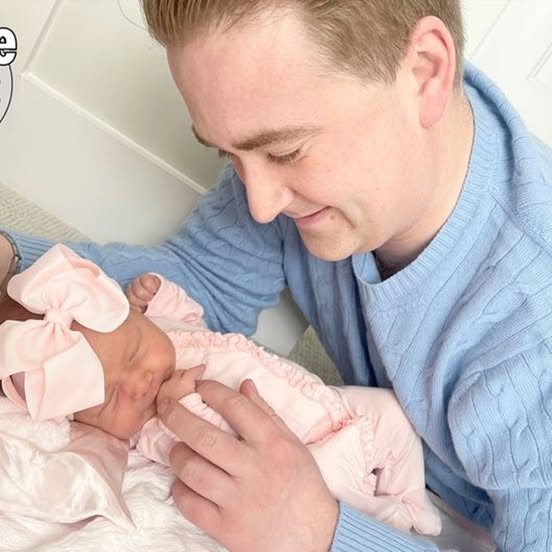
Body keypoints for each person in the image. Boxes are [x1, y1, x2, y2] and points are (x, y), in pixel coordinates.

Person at [1, 0, 551, 550]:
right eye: (231, 156)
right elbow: (205, 279)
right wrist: (18, 264)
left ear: (425, 71)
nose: (261, 206)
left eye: (285, 151)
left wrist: (320, 532)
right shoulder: (327, 152)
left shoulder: (532, 338)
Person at [0, 244, 441, 536]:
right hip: (302, 451)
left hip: (329, 403)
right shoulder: (151, 428)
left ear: (133, 318)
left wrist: (159, 295)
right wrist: (180, 405)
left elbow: (191, 317)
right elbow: (194, 451)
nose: (138, 383)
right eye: (111, 397)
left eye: (134, 353)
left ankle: (413, 500)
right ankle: (391, 519)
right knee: (340, 495)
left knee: (394, 413)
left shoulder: (160, 329)